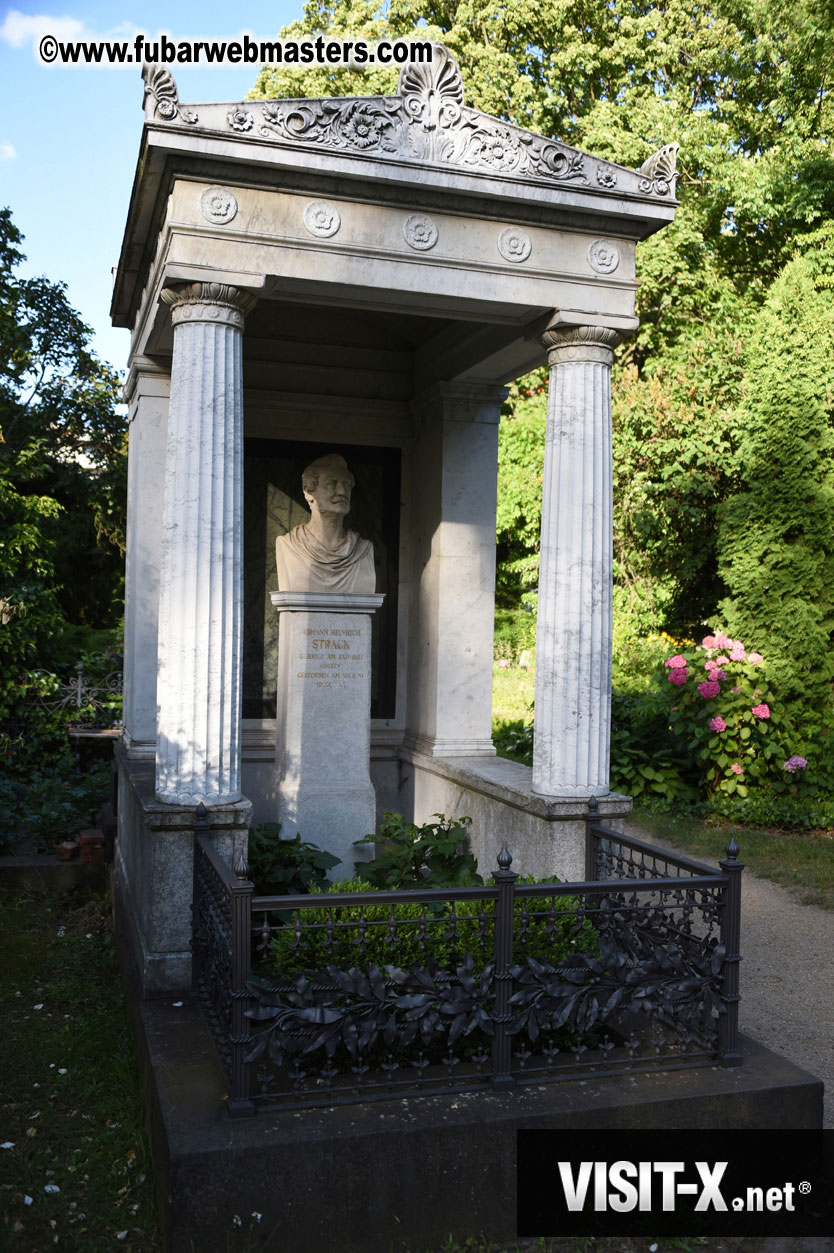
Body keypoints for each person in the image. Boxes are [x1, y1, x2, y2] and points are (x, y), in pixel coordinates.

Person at [275, 453, 376, 593]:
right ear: (309, 492)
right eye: (331, 483)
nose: (342, 491)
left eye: (346, 484)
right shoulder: (289, 546)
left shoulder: (363, 550)